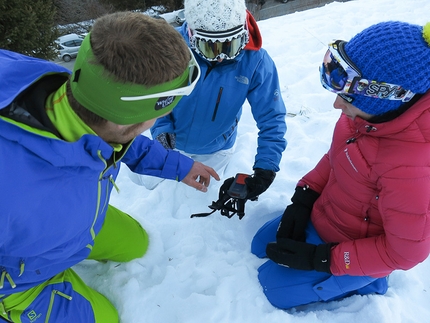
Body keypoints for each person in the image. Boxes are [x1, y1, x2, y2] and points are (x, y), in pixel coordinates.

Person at [0, 12, 220, 323]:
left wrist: (178, 166)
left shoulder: (69, 92)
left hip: (77, 223)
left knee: (140, 242)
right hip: (20, 278)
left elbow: (117, 141)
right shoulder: (10, 193)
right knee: (106, 318)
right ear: (129, 119)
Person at [251, 20, 430, 309]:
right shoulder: (363, 117)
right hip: (327, 216)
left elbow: (406, 252)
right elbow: (337, 157)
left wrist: (324, 259)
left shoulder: (410, 168)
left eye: (347, 95)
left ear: (385, 98)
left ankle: (370, 281)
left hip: (351, 250)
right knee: (258, 244)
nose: (336, 104)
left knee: (272, 288)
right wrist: (304, 198)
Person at [133, 0, 287, 202]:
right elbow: (157, 95)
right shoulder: (171, 49)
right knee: (156, 196)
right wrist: (161, 128)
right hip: (172, 143)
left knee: (194, 201)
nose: (221, 57)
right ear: (192, 36)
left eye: (230, 46)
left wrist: (265, 169)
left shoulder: (256, 61)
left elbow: (272, 117)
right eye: (210, 48)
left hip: (216, 150)